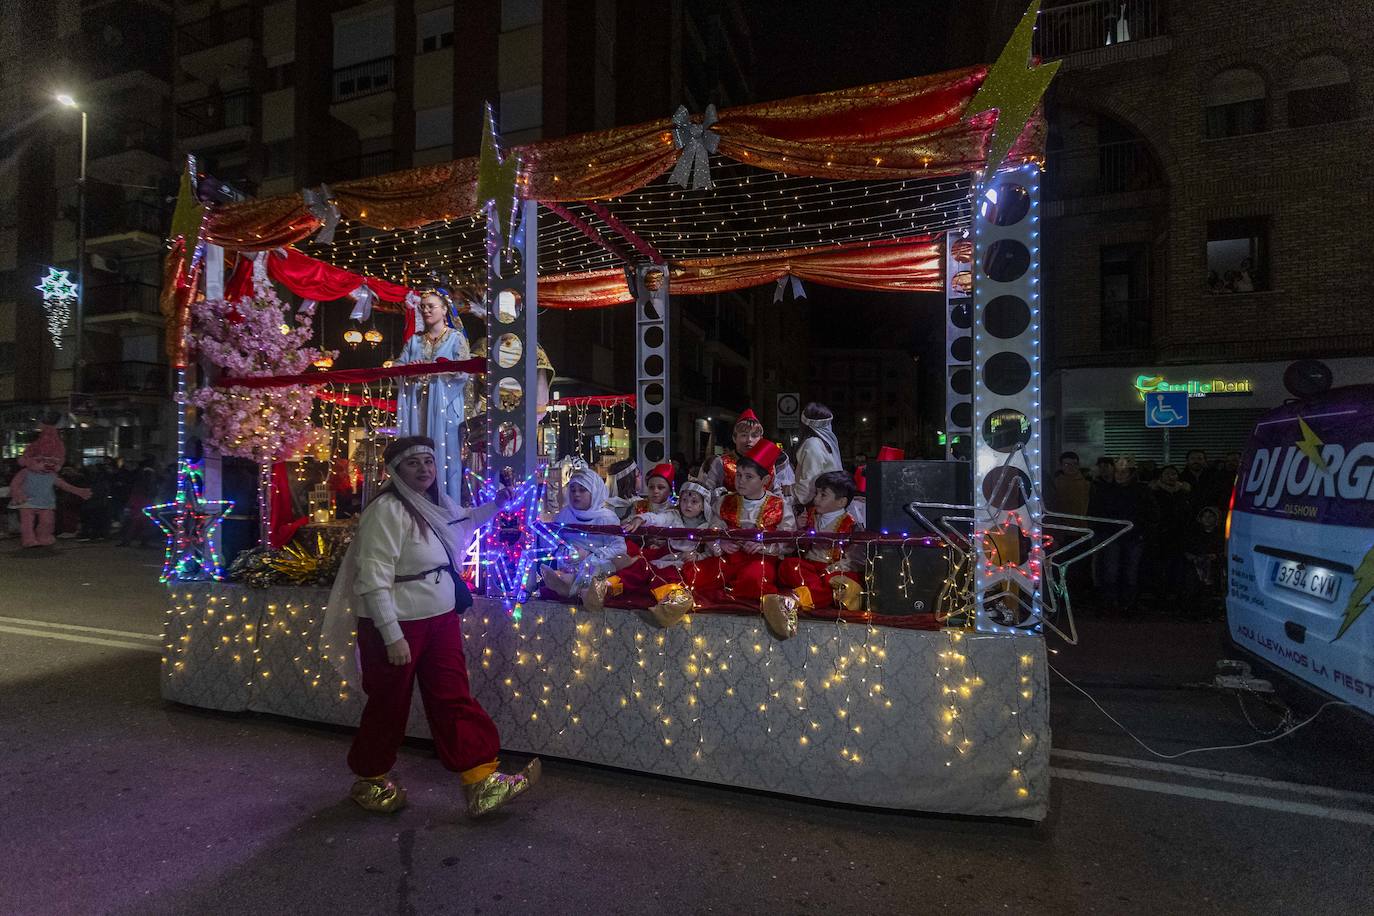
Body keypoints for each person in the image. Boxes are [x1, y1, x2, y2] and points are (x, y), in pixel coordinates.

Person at [322, 436, 537, 817]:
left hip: (440, 620)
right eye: (413, 463)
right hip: (396, 625)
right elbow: (373, 576)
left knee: (453, 695)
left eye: (428, 462)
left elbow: (464, 521)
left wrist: (497, 505)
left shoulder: (435, 505)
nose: (424, 469)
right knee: (388, 704)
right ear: (395, 471)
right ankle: (370, 777)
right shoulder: (386, 510)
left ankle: (481, 780)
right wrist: (391, 634)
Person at [594, 478, 720, 627]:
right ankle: (605, 588)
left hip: (687, 564)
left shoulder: (708, 526)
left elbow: (714, 551)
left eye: (694, 502)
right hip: (666, 557)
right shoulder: (674, 516)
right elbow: (658, 519)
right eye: (684, 500)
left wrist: (698, 556)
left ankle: (672, 605)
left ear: (703, 505)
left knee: (669, 577)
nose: (687, 505)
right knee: (641, 568)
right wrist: (641, 519)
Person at [710, 439, 798, 638]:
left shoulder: (779, 505)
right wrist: (720, 543)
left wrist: (765, 548)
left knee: (754, 578)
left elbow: (788, 541)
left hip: (761, 560)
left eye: (748, 477)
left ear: (765, 481)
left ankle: (774, 605)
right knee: (697, 574)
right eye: (738, 475)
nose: (741, 481)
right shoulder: (725, 501)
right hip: (729, 558)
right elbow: (712, 529)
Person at [394, 290, 472, 505]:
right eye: (423, 307)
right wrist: (412, 373)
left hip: (444, 409)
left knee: (445, 458)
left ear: (444, 309)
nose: (426, 310)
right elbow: (398, 368)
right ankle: (414, 506)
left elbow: (463, 374)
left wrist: (437, 373)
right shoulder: (414, 342)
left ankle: (445, 507)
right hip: (418, 408)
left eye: (431, 306)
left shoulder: (455, 338)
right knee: (415, 453)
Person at [779, 470, 864, 611]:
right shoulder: (810, 516)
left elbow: (854, 559)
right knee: (788, 565)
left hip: (833, 569)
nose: (816, 499)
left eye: (823, 495)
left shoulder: (850, 524)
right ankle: (818, 594)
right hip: (810, 567)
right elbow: (798, 547)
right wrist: (800, 529)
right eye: (816, 493)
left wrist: (832, 569)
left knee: (845, 580)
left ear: (841, 502)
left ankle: (801, 598)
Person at [542, 466, 628, 599]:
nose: (576, 494)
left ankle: (573, 588)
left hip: (597, 562)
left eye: (582, 490)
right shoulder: (564, 514)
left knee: (593, 568)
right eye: (573, 489)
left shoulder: (606, 517)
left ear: (594, 492)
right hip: (569, 562)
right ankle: (564, 582)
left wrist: (589, 554)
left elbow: (620, 548)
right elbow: (554, 541)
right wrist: (564, 551)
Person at [1087, 457, 1157, 616]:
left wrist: (1142, 531)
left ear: (1131, 473)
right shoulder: (1105, 490)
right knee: (1111, 570)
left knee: (1131, 571)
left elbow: (1152, 513)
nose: (1120, 475)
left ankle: (1128, 603)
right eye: (1118, 471)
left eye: (1124, 472)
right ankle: (1111, 603)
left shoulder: (1141, 490)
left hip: (1133, 537)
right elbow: (1096, 513)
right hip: (1112, 536)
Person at [10, 423, 92, 548]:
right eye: (41, 460)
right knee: (27, 522)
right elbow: (15, 484)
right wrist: (18, 493)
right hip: (26, 501)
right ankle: (29, 539)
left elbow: (65, 485)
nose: (48, 465)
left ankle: (44, 537)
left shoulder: (51, 475)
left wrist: (79, 491)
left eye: (52, 462)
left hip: (46, 502)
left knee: (48, 522)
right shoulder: (25, 472)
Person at [704, 409, 792, 497]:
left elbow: (782, 495)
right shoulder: (720, 462)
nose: (749, 440)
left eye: (754, 436)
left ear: (761, 439)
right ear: (735, 438)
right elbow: (707, 494)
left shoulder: (774, 462)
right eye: (744, 435)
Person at [1149, 465, 1194, 603]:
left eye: (1173, 474)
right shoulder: (1154, 492)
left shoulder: (1183, 493)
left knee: (1178, 567)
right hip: (1160, 535)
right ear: (1161, 476)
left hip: (1179, 535)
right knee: (1161, 568)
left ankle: (1176, 595)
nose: (1170, 476)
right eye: (1167, 474)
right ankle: (1161, 596)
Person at [791, 402, 843, 509]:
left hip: (818, 505)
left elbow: (809, 483)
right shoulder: (821, 443)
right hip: (827, 502)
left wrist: (790, 492)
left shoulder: (813, 444)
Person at [1048, 451, 1091, 517]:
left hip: (1081, 523)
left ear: (1078, 465)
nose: (1071, 467)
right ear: (1061, 466)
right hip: (1060, 523)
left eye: (1074, 464)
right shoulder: (1055, 483)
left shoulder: (1087, 484)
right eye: (1067, 464)